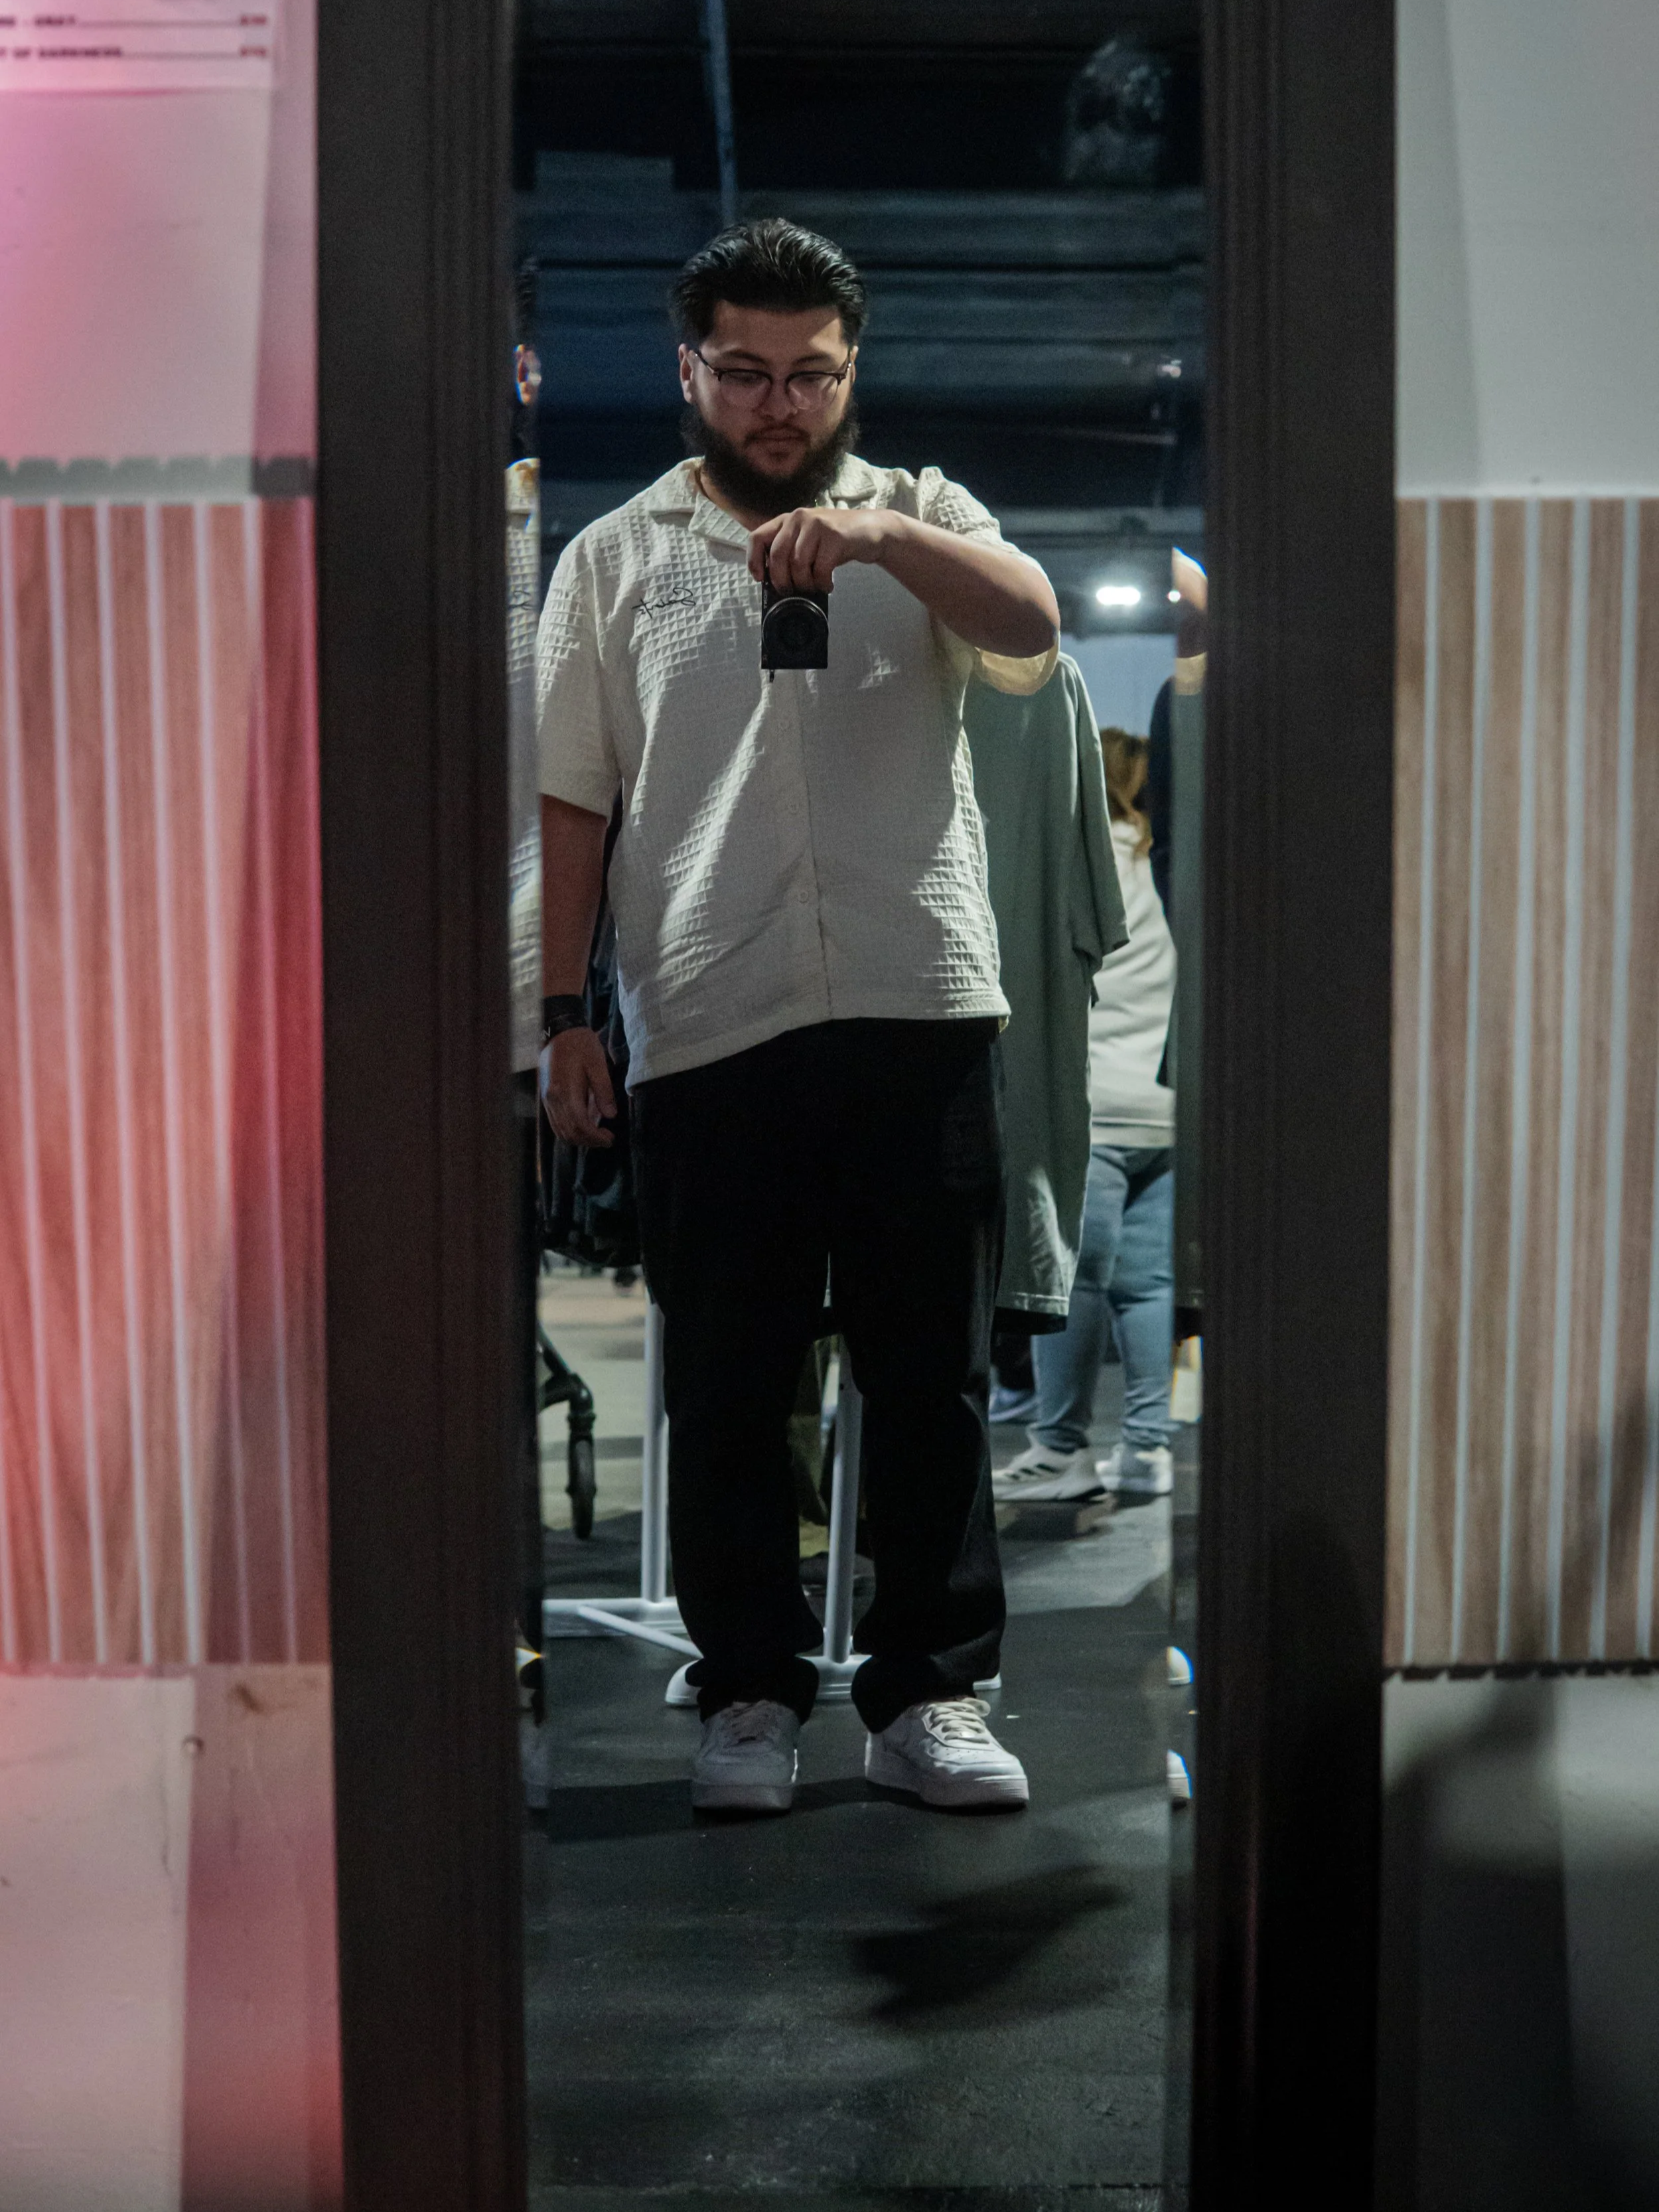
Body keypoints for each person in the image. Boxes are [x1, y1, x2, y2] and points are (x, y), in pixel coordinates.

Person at [536, 219, 1060, 1816]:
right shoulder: (614, 557)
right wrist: (560, 1014)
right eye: (746, 372)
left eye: (811, 375)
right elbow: (571, 802)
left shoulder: (926, 516)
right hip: (710, 1013)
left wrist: (880, 539)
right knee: (726, 1380)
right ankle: (748, 1688)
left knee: (930, 1376)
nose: (779, 404)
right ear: (689, 371)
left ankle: (929, 1693)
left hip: (918, 999)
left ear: (850, 374)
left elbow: (1030, 624)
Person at [993, 726, 1177, 1505]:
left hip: (1094, 1106)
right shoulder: (1169, 867)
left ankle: (1061, 1446)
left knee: (1075, 1281)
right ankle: (1148, 1447)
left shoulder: (1083, 861)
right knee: (1149, 1285)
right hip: (1166, 1109)